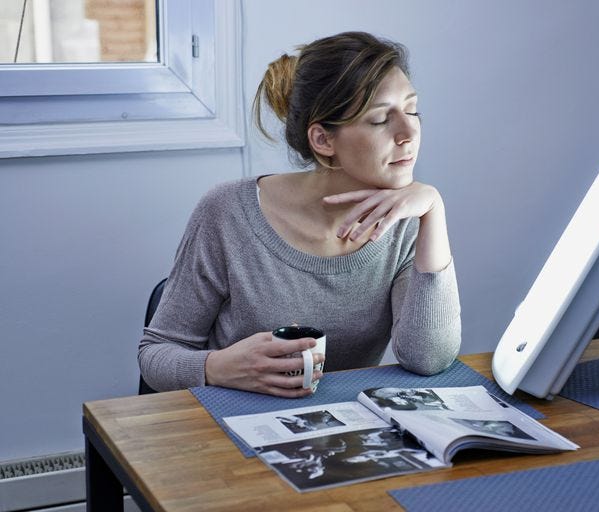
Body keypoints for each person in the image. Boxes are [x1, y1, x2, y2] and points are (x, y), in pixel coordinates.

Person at [138, 31, 461, 396]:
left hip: (344, 433)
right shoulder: (227, 212)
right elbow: (155, 355)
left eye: (412, 109)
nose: (408, 132)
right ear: (323, 140)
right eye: (379, 120)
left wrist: (434, 209)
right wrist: (220, 367)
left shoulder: (403, 219)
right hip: (229, 431)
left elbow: (429, 358)